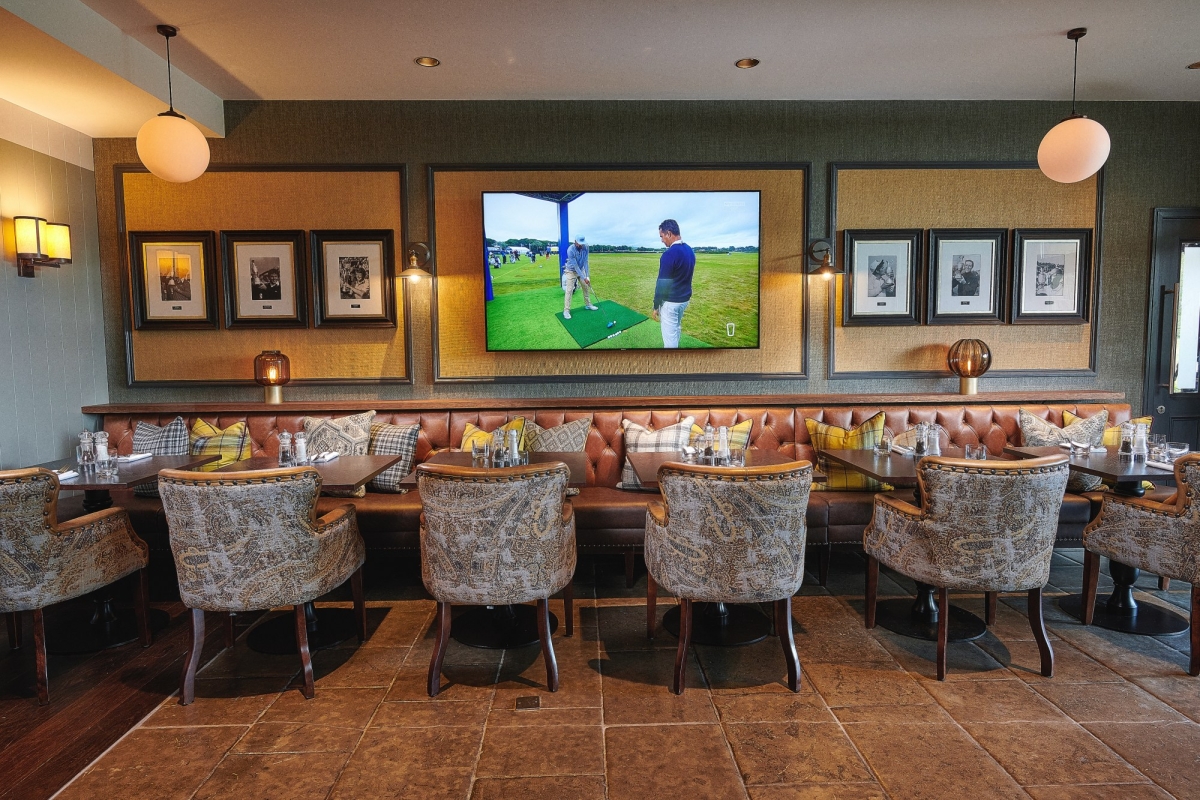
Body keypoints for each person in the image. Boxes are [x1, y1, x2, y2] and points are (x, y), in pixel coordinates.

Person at [652, 219, 695, 348]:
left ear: (669, 234)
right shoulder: (689, 250)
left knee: (670, 341)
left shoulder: (669, 254)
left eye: (662, 236)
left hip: (671, 303)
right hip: (684, 301)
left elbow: (662, 284)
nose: (661, 240)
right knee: (676, 328)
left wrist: (655, 306)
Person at [561, 235, 597, 320]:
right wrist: (583, 277)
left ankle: (588, 304)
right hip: (571, 271)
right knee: (569, 290)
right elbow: (575, 266)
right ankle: (566, 311)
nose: (581, 245)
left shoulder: (586, 247)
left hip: (581, 269)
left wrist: (587, 276)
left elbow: (585, 262)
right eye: (579, 243)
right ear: (575, 241)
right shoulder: (570, 250)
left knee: (585, 287)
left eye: (582, 243)